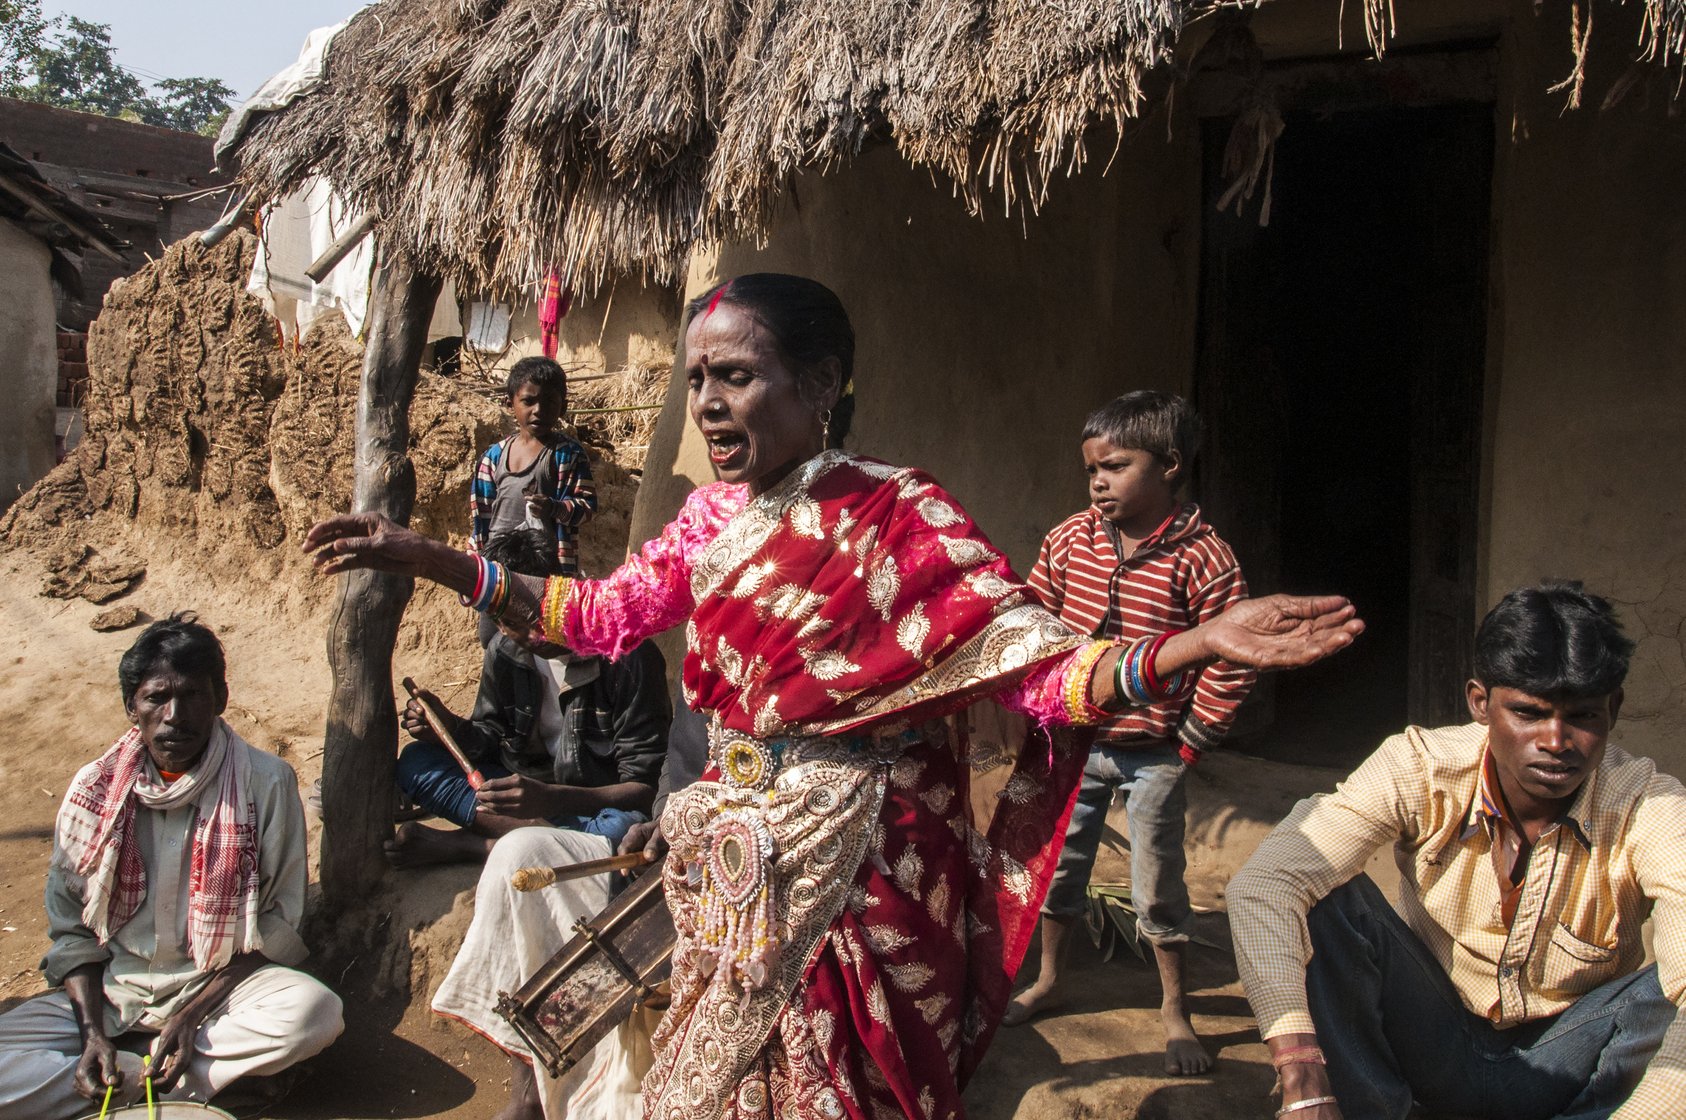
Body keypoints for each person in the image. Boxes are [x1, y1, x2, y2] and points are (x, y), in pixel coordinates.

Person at [304, 273, 1364, 1120]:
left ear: (820, 384)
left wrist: (1187, 647)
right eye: (698, 377)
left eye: (736, 376)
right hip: (730, 857)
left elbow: (1038, 669)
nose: (709, 401)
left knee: (842, 1083)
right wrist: (430, 557)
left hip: (862, 866)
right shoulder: (709, 518)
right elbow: (598, 616)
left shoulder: (903, 518)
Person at [1228, 583, 1686, 1120]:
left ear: (1614, 709)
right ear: (1480, 704)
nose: (1556, 740)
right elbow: (1264, 884)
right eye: (1529, 712)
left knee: (1660, 998)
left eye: (1583, 717)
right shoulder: (1418, 767)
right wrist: (1301, 1069)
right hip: (1434, 1040)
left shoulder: (1648, 804)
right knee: (1329, 902)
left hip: (1568, 1057)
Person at [0, 615, 343, 1119]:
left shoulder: (265, 783)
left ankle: (115, 1086)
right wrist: (93, 1034)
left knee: (314, 1014)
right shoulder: (93, 789)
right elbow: (72, 934)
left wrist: (189, 1014)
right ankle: (162, 1081)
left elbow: (276, 925)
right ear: (131, 707)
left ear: (220, 700)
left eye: (192, 696)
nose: (174, 716)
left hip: (217, 995)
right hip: (112, 993)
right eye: (157, 697)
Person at [1006, 391, 1255, 1077]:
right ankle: (1051, 979)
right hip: (1075, 747)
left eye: (1115, 467)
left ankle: (1175, 1008)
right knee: (1060, 870)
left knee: (1157, 885)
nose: (1097, 483)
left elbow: (1231, 658)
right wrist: (1043, 712)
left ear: (1170, 465)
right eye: (1091, 469)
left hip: (1155, 755)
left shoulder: (1205, 559)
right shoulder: (1069, 540)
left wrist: (1192, 740)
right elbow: (1034, 626)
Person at [430, 702, 711, 1120]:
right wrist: (664, 819)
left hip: (742, 859)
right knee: (522, 853)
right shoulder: (705, 653)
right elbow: (677, 760)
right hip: (668, 849)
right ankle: (531, 1092)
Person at [390, 528, 669, 867]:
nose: (535, 634)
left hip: (589, 804)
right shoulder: (504, 651)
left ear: (560, 588)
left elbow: (645, 788)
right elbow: (490, 738)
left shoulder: (627, 658)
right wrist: (446, 726)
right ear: (495, 620)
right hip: (531, 801)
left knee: (623, 831)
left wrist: (550, 800)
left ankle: (478, 847)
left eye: (541, 612)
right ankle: (549, 846)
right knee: (418, 764)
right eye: (513, 623)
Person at [470, 356, 597, 629]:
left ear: (562, 406)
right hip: (498, 569)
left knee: (540, 640)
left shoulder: (567, 455)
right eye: (529, 401)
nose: (539, 410)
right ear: (510, 403)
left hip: (546, 573)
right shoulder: (492, 459)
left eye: (550, 402)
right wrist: (475, 569)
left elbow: (586, 507)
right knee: (492, 637)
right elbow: (481, 521)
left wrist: (554, 508)